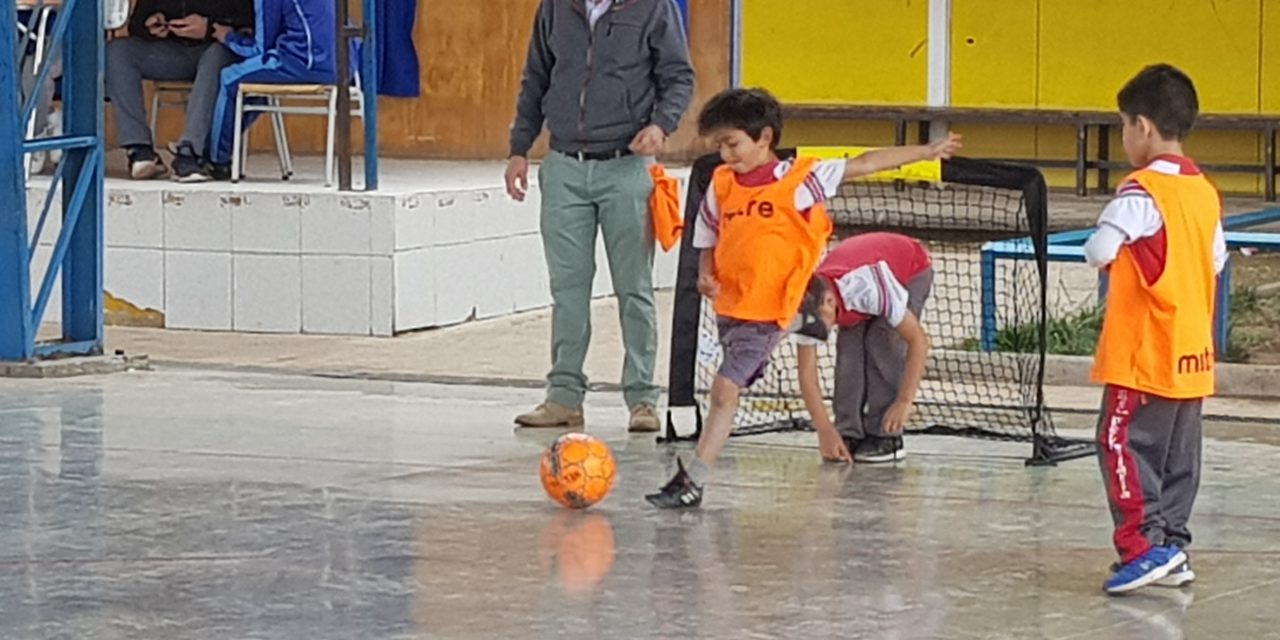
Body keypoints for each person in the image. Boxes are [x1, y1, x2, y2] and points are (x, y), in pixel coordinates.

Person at [645, 88, 961, 509]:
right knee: (727, 388)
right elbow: (707, 236)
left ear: (765, 138)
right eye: (719, 146)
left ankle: (693, 481)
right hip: (734, 307)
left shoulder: (799, 179)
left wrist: (928, 150)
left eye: (733, 144)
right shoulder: (721, 184)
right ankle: (805, 328)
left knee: (724, 390)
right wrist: (705, 275)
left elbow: (864, 164)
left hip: (774, 309)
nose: (726, 155)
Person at [504, 0, 694, 433]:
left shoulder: (652, 7)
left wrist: (661, 125)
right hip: (564, 164)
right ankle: (564, 397)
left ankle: (642, 398)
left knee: (634, 288)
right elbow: (536, 77)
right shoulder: (554, 6)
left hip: (626, 165)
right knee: (567, 290)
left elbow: (679, 76)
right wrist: (519, 148)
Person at [1082, 64, 1226, 595]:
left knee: (1119, 442)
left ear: (1142, 126)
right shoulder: (1205, 193)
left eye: (1123, 125)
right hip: (1192, 355)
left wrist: (1112, 257)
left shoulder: (1141, 193)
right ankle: (1172, 544)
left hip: (1143, 354)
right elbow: (1215, 262)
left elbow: (1099, 248)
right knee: (1176, 456)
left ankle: (1142, 548)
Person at [792, 232, 933, 465]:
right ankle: (848, 432)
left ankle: (886, 435)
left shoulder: (866, 287)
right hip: (857, 274)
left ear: (829, 301)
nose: (817, 332)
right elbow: (806, 373)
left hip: (909, 269)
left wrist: (904, 402)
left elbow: (918, 341)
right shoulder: (804, 307)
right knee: (849, 351)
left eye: (818, 323)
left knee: (883, 339)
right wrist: (825, 430)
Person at [106, 0, 254, 181]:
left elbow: (251, 24)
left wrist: (210, 26)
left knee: (218, 56)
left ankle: (190, 153)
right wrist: (152, 26)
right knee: (117, 51)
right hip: (173, 53)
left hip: (217, 52)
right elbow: (137, 24)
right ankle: (140, 150)